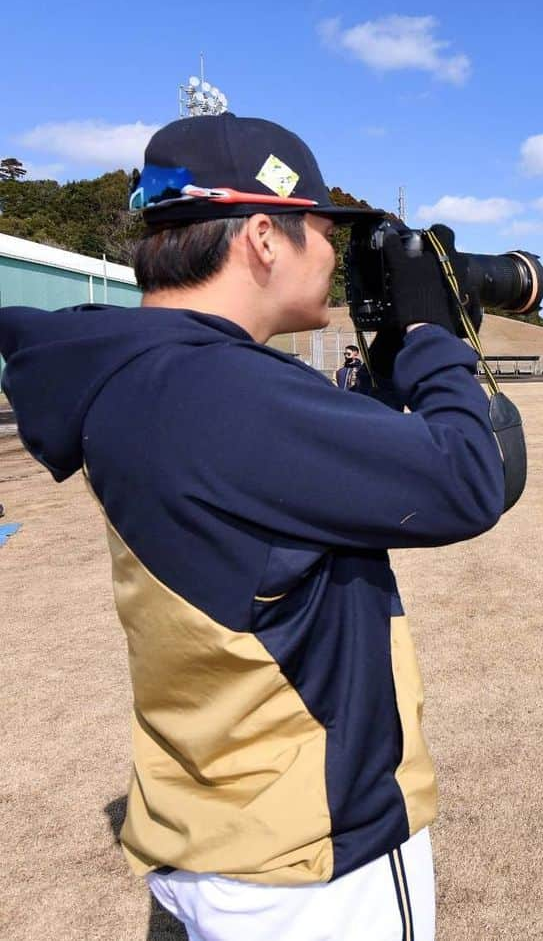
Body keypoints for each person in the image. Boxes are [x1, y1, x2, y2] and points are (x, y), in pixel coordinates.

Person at [0, 113, 508, 941]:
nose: (335, 256)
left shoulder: (138, 379)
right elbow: (466, 478)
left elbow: (304, 483)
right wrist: (428, 334)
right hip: (308, 858)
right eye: (322, 232)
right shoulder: (221, 393)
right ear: (265, 236)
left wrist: (383, 368)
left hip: (212, 822)